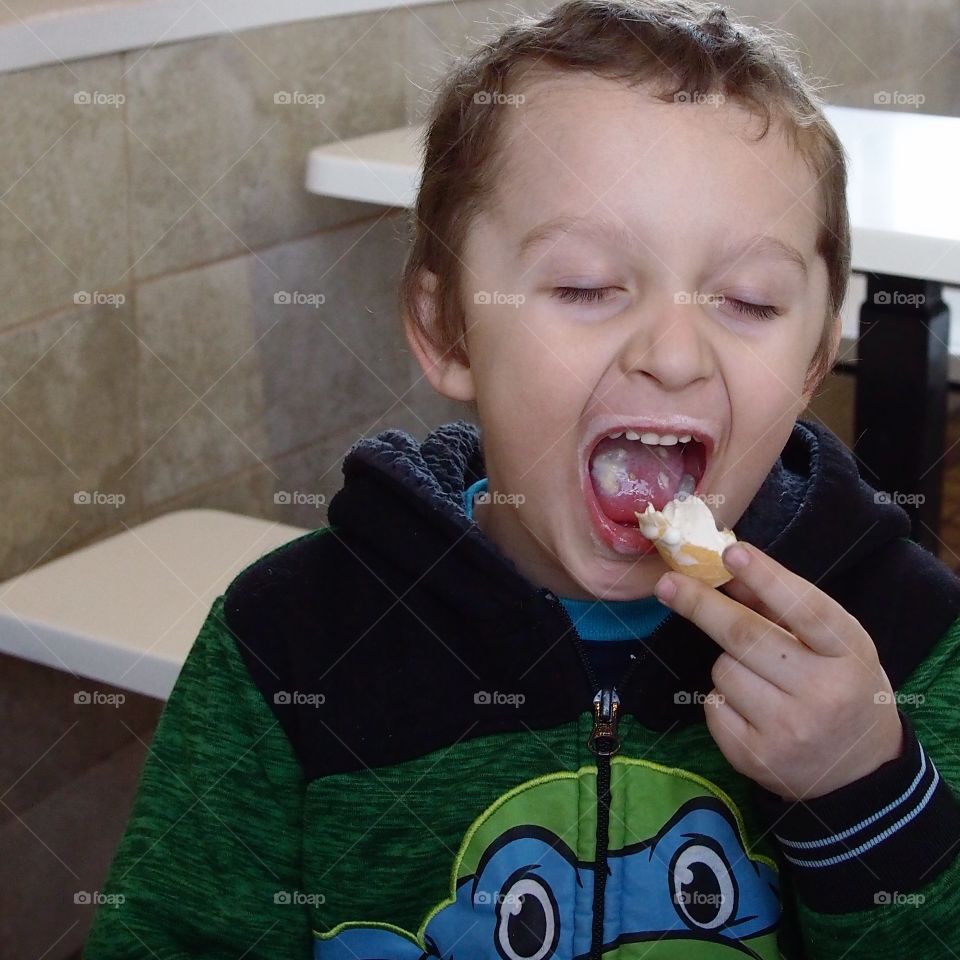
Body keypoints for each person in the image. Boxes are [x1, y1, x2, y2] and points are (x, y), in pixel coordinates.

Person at [83, 2, 960, 957]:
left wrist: (867, 794)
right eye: (584, 286)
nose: (674, 354)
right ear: (450, 329)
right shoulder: (288, 645)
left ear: (812, 362)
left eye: (749, 302)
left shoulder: (907, 640)